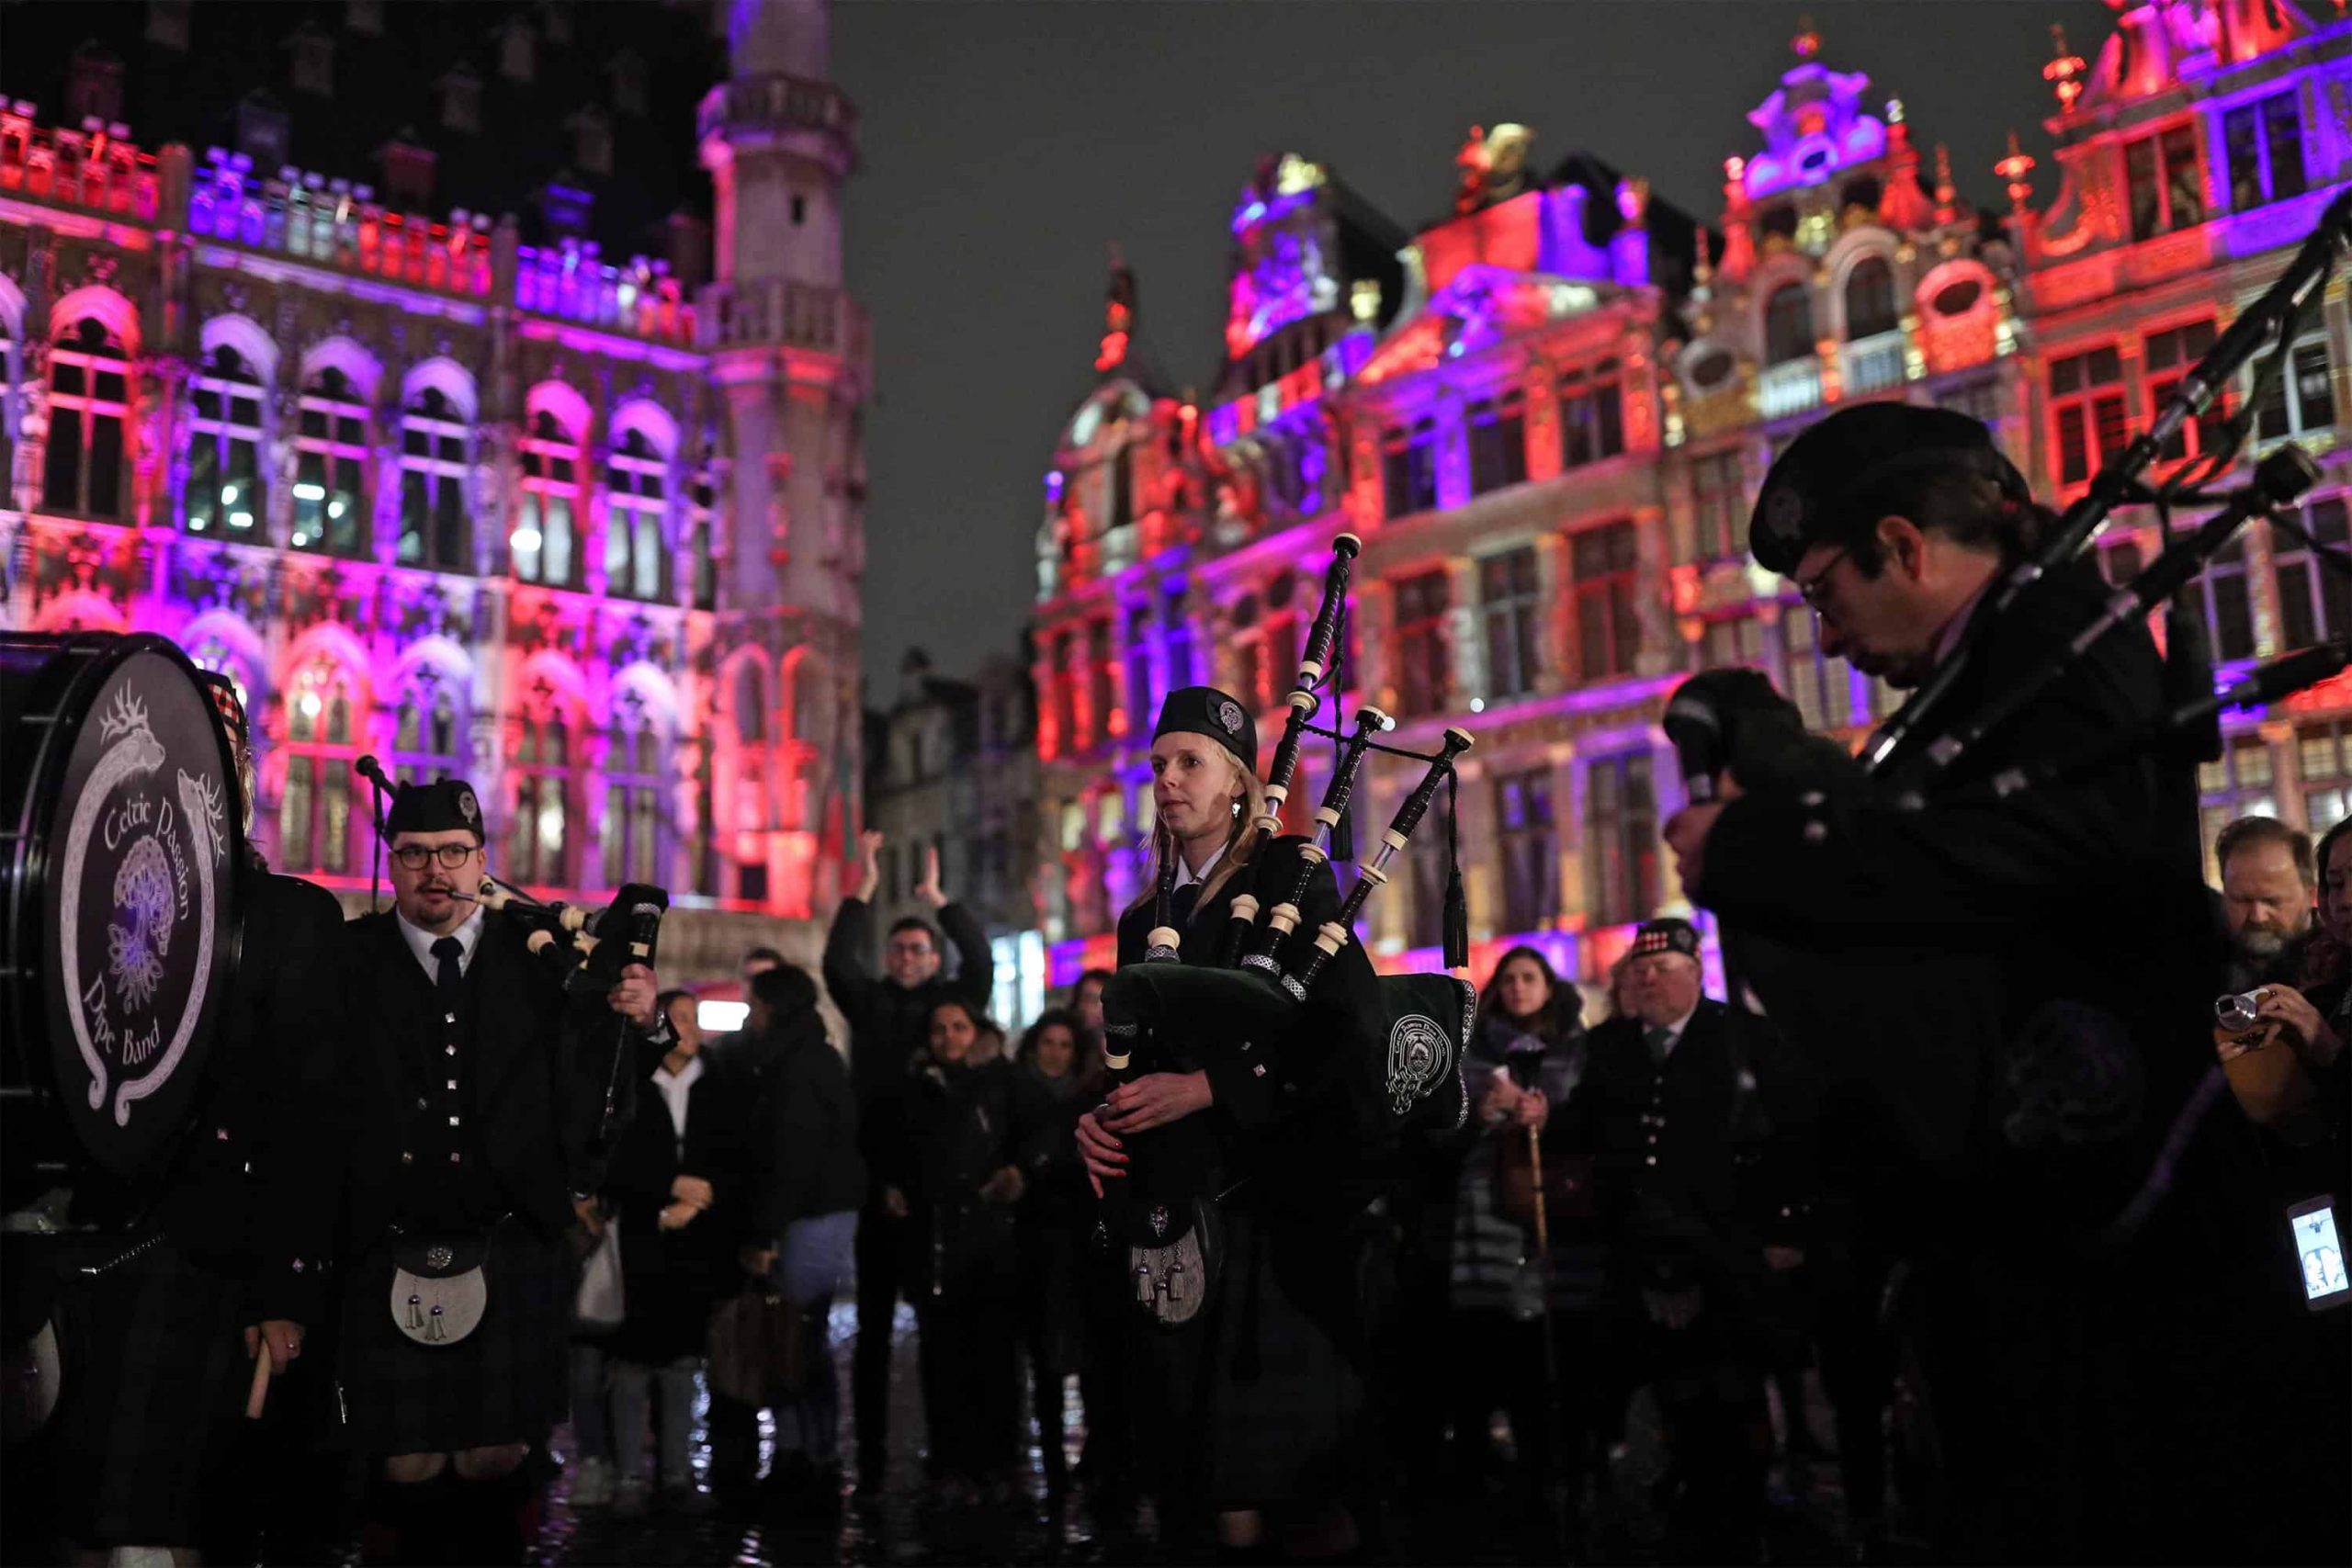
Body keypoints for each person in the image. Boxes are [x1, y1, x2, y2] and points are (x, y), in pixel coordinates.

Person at [1661, 401, 2331, 1562]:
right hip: (2039, 1249)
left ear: (1904, 547)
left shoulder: (2063, 643)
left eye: (1826, 590)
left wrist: (1764, 848)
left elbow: (2009, 865)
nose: (1825, 637)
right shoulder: (1993, 667)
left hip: (2123, 1255)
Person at [35, 676, 347, 1566]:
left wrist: (286, 1289)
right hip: (61, 1242)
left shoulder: (292, 919)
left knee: (156, 1525)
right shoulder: (62, 898)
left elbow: (309, 1116)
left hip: (205, 1253)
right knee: (57, 1522)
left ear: (242, 774)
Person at [1075, 685, 1387, 1562]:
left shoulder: (1289, 879)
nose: (1168, 781)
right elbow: (1135, 1060)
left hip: (1269, 1228)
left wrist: (1214, 1087)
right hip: (1172, 1223)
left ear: (1242, 783)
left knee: (1274, 1491)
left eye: (1190, 763)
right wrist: (1099, 1119)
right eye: (1159, 765)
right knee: (1193, 1481)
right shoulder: (1146, 918)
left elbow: (1345, 1031)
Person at [320, 777, 668, 1564]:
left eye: (453, 853)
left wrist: (646, 1018)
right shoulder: (349, 959)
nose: (433, 870)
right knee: (403, 1458)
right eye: (413, 854)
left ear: (482, 861)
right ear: (392, 861)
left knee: (496, 1456)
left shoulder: (548, 961)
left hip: (510, 1238)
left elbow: (608, 1072)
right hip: (384, 1238)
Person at [1552, 919, 1816, 1563]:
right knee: (1666, 1392)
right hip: (1638, 1249)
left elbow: (1792, 1137)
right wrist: (1538, 1119)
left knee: (1731, 1391)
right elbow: (1580, 1129)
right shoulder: (1611, 1042)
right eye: (1637, 970)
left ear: (1696, 973)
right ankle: (1685, 1509)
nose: (1646, 977)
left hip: (1727, 1247)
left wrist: (1787, 1226)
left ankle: (1744, 1511)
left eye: (1663, 967)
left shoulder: (1740, 1037)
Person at [822, 830, 993, 1493]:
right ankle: (868, 1449)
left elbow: (978, 960)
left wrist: (940, 901)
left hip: (934, 1181)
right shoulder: (871, 1004)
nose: (906, 956)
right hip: (876, 1178)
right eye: (897, 948)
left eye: (918, 948)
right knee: (869, 1327)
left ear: (933, 957)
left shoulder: (952, 1005)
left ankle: (945, 1447)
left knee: (938, 1323)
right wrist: (862, 888)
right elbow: (839, 963)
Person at [1439, 945, 1601, 1520]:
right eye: (1507, 978)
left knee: (1548, 1348)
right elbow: (1449, 1127)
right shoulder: (1474, 1054)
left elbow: (1589, 1117)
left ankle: (1558, 1463)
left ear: (1548, 986)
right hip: (1486, 1214)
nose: (1516, 987)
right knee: (1487, 1345)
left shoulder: (1576, 1050)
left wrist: (1542, 1113)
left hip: (1552, 1213)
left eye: (1528, 977)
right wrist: (1487, 1113)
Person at [595, 989, 747, 1517]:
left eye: (691, 1019)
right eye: (674, 1018)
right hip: (641, 1238)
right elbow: (612, 1160)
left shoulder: (723, 1086)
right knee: (632, 1364)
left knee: (683, 1362)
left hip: (699, 1245)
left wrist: (701, 1198)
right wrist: (666, 1190)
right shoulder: (632, 1083)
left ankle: (678, 1472)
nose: (684, 1028)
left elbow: (739, 1158)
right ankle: (630, 1474)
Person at [731, 964, 865, 1504]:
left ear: (774, 1007)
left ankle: (809, 1455)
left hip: (810, 1217)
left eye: (755, 1004)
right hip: (818, 1212)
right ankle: (807, 1450)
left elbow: (792, 1156)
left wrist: (765, 1234)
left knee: (798, 1337)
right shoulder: (807, 1055)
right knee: (800, 1336)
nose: (750, 1014)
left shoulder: (796, 1063)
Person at [899, 998, 1027, 1503]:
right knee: (942, 1363)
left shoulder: (1003, 1082)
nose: (949, 1036)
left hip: (992, 1241)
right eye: (939, 1027)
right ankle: (951, 1463)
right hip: (937, 1243)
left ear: (977, 1031)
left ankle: (997, 1464)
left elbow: (1031, 1136)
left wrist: (1017, 1175)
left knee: (995, 1361)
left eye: (959, 1026)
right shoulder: (917, 1087)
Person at [1012, 1008, 1091, 1495]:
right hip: (1033, 1242)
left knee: (1086, 1351)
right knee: (1042, 1353)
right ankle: (1054, 1462)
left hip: (1079, 1242)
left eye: (1065, 1046)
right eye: (1049, 1044)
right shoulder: (1017, 1095)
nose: (1056, 1054)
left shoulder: (1087, 1100)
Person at [2216, 815, 2320, 987]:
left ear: (2310, 896)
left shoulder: (2342, 967)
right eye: (2242, 900)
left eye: (2273, 901)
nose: (2258, 917)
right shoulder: (2197, 962)